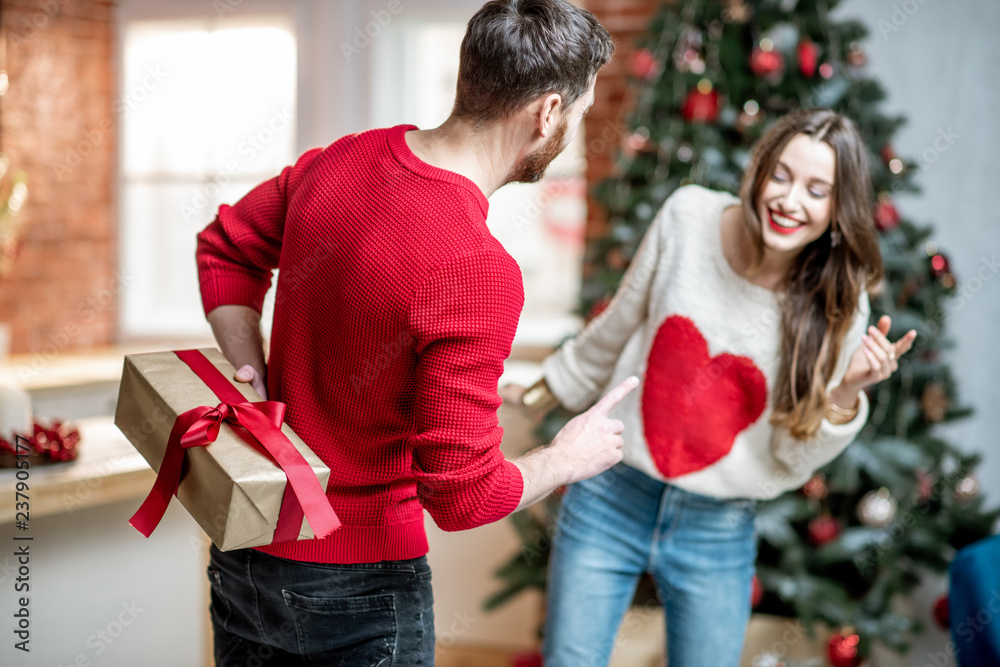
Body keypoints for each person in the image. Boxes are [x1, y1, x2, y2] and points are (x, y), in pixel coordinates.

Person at [194, 2, 633, 665]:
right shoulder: (478, 268)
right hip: (356, 585)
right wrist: (569, 456)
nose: (572, 128)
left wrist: (249, 370)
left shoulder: (341, 160)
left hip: (246, 551)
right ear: (547, 113)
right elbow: (464, 496)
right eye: (578, 112)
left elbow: (224, 249)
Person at [513, 108, 918, 666]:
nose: (790, 200)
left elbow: (791, 455)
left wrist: (847, 390)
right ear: (757, 171)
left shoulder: (841, 305)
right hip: (612, 490)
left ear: (837, 209)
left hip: (718, 527)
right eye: (781, 175)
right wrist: (542, 387)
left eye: (817, 190)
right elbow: (619, 323)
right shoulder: (689, 217)